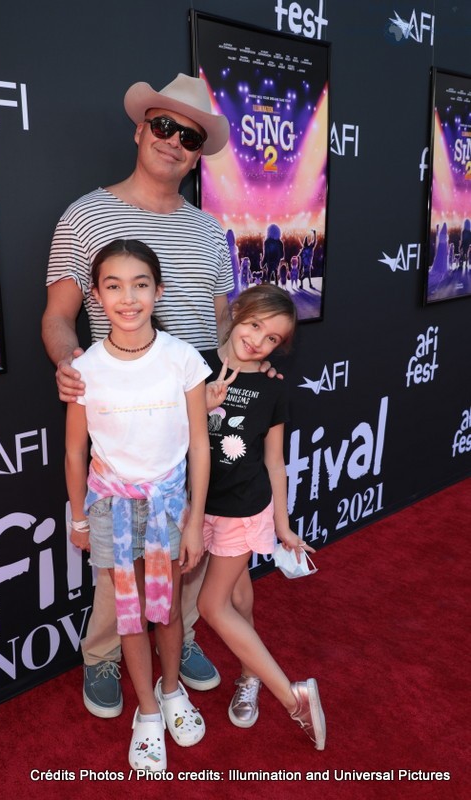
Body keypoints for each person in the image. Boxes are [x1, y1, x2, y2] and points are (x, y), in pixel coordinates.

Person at [42, 73, 232, 718]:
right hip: (121, 399)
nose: (175, 141)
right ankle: (104, 655)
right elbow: (59, 314)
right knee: (117, 547)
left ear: (199, 152)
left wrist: (239, 380)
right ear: (141, 128)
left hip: (196, 399)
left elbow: (223, 321)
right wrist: (70, 364)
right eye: (164, 126)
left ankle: (180, 646)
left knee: (187, 537)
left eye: (190, 135)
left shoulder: (211, 231)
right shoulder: (87, 215)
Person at [65, 238, 210, 771]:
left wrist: (194, 520)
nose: (128, 298)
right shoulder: (86, 368)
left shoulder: (182, 359)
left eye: (140, 284)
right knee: (129, 615)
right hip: (110, 509)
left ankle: (172, 692)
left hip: (171, 507)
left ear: (159, 290)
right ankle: (146, 712)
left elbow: (199, 444)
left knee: (167, 609)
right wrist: (79, 516)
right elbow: (75, 449)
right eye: (113, 285)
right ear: (96, 296)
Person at [198, 284, 326, 751]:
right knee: (236, 593)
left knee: (212, 607)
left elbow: (275, 462)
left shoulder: (273, 389)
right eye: (254, 325)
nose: (258, 341)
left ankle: (292, 697)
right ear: (236, 313)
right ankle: (248, 671)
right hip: (196, 506)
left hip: (241, 510)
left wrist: (283, 524)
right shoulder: (193, 364)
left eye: (272, 339)